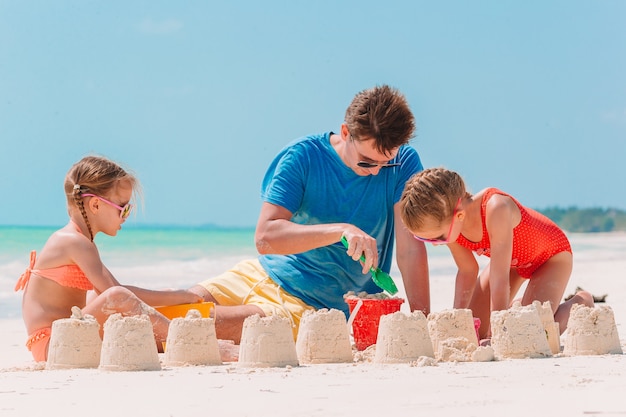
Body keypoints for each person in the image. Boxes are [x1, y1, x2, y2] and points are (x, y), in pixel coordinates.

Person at [190, 85, 430, 343]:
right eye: (367, 161)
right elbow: (265, 237)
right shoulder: (303, 156)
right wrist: (341, 231)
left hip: (310, 306)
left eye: (386, 162)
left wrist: (423, 324)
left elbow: (410, 251)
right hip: (260, 273)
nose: (375, 171)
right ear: (346, 132)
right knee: (182, 305)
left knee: (192, 329)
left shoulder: (404, 164)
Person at [15, 155, 203, 362]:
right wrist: (176, 295)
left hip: (65, 339)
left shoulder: (81, 241)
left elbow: (113, 291)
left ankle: (169, 340)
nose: (126, 216)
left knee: (100, 298)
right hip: (54, 345)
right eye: (124, 208)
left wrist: (172, 295)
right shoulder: (73, 241)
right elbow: (117, 293)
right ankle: (185, 341)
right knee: (115, 297)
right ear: (95, 205)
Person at [398, 167, 594, 339]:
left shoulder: (496, 208)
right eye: (425, 239)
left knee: (529, 333)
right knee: (476, 329)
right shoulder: (451, 225)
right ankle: (520, 307)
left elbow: (499, 280)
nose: (434, 244)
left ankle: (581, 302)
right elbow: (467, 271)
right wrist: (457, 321)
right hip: (512, 263)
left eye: (436, 238)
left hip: (550, 257)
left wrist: (498, 332)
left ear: (459, 215)